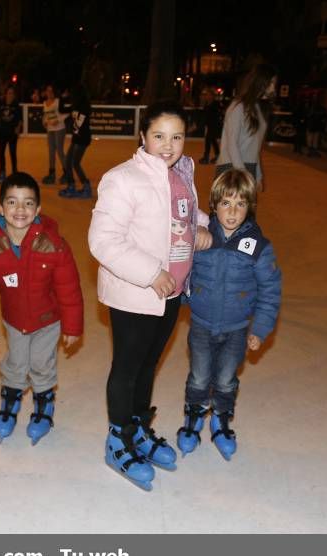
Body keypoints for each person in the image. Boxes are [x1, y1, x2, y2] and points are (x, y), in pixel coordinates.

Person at [88, 100, 212, 490]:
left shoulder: (181, 174)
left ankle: (138, 427)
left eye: (177, 137)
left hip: (172, 292)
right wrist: (150, 273)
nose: (168, 144)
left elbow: (183, 214)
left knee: (148, 365)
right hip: (135, 293)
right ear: (143, 137)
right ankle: (118, 438)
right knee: (127, 367)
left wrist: (202, 228)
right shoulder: (122, 178)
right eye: (159, 136)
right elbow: (102, 240)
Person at [0, 172, 83, 445]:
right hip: (14, 320)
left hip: (47, 320)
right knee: (16, 362)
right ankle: (10, 398)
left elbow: (70, 288)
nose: (20, 210)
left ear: (38, 209)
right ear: (0, 207)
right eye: (12, 202)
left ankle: (44, 404)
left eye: (28, 203)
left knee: (41, 363)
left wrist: (73, 326)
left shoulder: (53, 244)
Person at [177, 168, 281, 461]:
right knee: (198, 377)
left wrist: (259, 329)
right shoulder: (202, 240)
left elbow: (270, 291)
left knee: (225, 379)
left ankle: (221, 420)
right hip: (200, 324)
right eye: (225, 203)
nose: (232, 212)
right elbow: (185, 273)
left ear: (250, 207)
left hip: (236, 329)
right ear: (214, 205)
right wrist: (183, 300)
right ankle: (194, 415)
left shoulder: (258, 247)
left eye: (240, 204)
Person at [216, 63, 278, 188]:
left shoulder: (259, 109)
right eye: (271, 83)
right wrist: (243, 174)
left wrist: (258, 175)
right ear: (261, 82)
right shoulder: (237, 107)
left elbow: (255, 149)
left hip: (248, 167)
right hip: (231, 167)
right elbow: (231, 144)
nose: (273, 87)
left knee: (247, 208)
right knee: (230, 207)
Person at [58, 84, 93, 199]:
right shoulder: (76, 105)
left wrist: (70, 122)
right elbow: (61, 109)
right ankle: (71, 185)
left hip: (83, 139)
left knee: (75, 163)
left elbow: (79, 123)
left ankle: (86, 186)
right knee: (68, 162)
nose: (71, 96)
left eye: (72, 94)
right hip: (76, 138)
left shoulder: (84, 106)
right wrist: (62, 98)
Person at [0, 85, 22, 185]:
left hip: (12, 133)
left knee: (12, 153)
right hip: (3, 132)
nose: (10, 95)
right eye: (9, 93)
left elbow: (20, 119)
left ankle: (14, 173)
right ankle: (2, 173)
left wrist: (18, 128)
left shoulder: (16, 105)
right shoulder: (1, 104)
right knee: (1, 152)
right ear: (6, 94)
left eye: (12, 93)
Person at [41, 85, 67, 185]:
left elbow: (66, 113)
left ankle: (67, 173)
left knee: (59, 151)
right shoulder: (45, 103)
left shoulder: (58, 101)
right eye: (48, 91)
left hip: (60, 129)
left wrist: (58, 120)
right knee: (51, 152)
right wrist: (44, 122)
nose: (49, 93)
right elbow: (45, 115)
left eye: (51, 91)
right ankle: (52, 174)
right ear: (46, 92)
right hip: (50, 130)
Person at [199, 88, 222, 164]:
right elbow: (205, 116)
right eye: (206, 95)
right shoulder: (207, 105)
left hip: (214, 125)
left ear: (212, 96)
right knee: (212, 140)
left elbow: (217, 115)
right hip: (209, 125)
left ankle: (207, 157)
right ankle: (217, 156)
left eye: (208, 95)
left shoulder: (215, 104)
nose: (206, 96)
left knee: (209, 141)